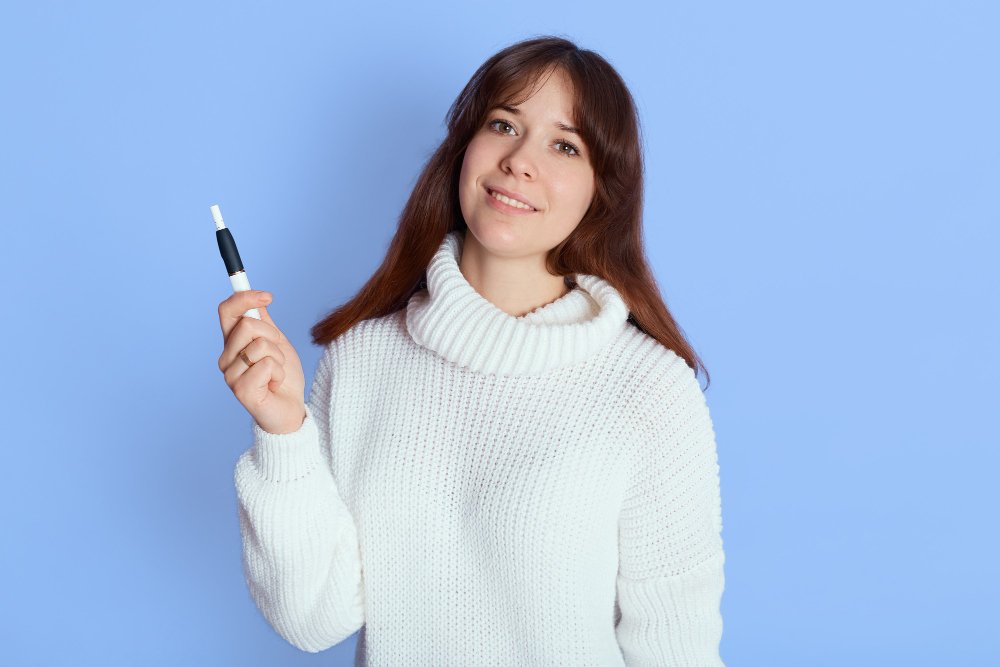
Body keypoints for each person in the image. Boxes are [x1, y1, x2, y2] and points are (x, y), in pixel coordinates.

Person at [218, 35, 726, 666]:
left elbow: (675, 644)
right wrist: (283, 434)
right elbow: (313, 619)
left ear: (601, 193)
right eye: (503, 124)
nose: (519, 160)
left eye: (565, 145)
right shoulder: (362, 361)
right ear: (463, 149)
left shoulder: (647, 387)